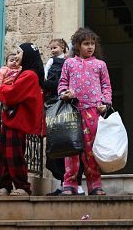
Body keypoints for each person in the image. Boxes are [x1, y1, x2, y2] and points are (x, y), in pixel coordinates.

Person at [58, 28, 112, 196]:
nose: (90, 47)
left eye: (93, 44)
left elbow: (106, 86)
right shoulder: (69, 63)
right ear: (77, 45)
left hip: (93, 111)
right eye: (86, 44)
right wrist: (64, 93)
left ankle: (95, 184)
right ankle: (69, 183)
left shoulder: (100, 65)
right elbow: (62, 83)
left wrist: (106, 103)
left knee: (91, 150)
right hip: (73, 111)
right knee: (71, 150)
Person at [0, 43, 45, 196]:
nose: (17, 56)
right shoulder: (25, 73)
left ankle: (22, 186)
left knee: (14, 153)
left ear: (28, 55)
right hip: (12, 117)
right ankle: (5, 185)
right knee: (4, 153)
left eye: (20, 53)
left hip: (18, 119)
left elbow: (12, 93)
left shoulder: (29, 75)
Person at [43, 38, 85, 196]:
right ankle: (63, 183)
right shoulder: (52, 63)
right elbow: (53, 83)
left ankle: (77, 182)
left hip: (72, 107)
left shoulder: (73, 64)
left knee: (72, 144)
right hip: (55, 107)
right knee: (58, 144)